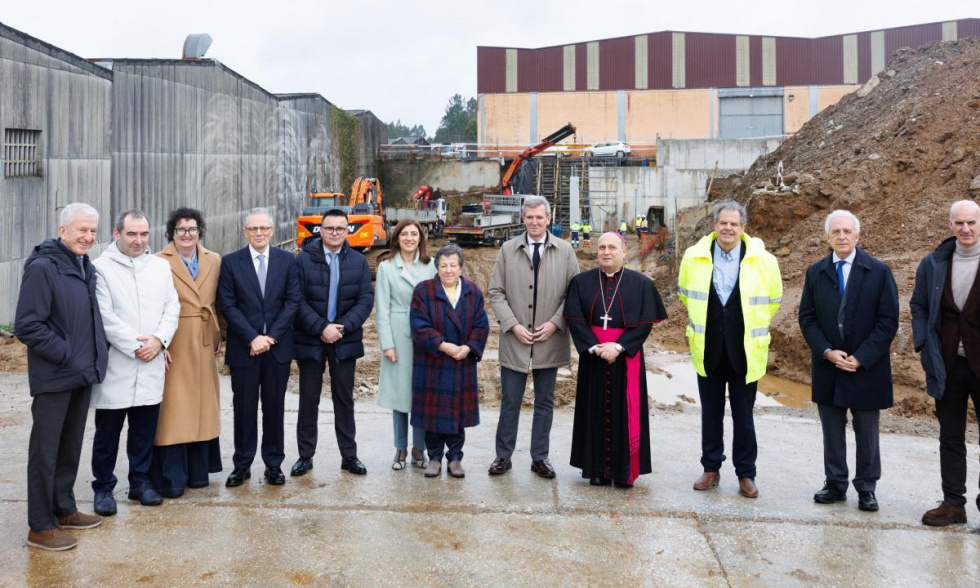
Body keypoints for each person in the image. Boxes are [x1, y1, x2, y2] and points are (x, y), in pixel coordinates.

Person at [16, 203, 108, 551]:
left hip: (82, 372)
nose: (87, 237)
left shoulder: (83, 265)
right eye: (81, 230)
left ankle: (64, 509)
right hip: (56, 375)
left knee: (69, 447)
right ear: (63, 229)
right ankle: (40, 526)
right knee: (46, 452)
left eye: (92, 231)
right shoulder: (43, 268)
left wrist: (92, 356)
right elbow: (28, 325)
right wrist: (67, 353)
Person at [678, 200, 782, 499]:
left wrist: (748, 324)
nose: (728, 228)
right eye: (723, 222)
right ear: (714, 225)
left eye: (734, 224)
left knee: (743, 416)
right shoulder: (694, 257)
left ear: (743, 228)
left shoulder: (764, 260)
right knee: (710, 413)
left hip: (745, 350)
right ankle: (711, 468)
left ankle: (746, 474)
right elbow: (685, 293)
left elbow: (773, 299)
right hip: (708, 347)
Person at [798, 210, 898, 513]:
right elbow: (807, 318)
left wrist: (862, 357)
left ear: (857, 236)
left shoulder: (879, 272)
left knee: (867, 431)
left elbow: (887, 321)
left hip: (867, 368)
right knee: (832, 429)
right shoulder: (816, 272)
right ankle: (835, 484)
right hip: (829, 365)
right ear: (828, 237)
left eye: (847, 231)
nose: (842, 236)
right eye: (836, 232)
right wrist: (826, 351)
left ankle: (867, 488)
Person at [89, 210, 180, 516]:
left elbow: (172, 307)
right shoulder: (100, 268)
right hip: (118, 363)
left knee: (143, 431)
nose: (139, 240)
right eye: (131, 234)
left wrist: (160, 340)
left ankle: (139, 483)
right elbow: (105, 317)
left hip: (152, 361)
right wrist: (137, 346)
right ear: (117, 234)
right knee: (108, 434)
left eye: (143, 234)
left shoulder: (160, 267)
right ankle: (103, 487)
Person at [487, 195, 579, 478]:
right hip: (516, 339)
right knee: (510, 399)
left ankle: (540, 457)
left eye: (540, 217)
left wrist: (555, 323)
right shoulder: (508, 249)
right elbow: (496, 292)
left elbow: (573, 294)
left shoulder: (564, 251)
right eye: (530, 217)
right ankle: (503, 456)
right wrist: (513, 325)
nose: (535, 222)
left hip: (549, 339)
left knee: (544, 401)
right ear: (522, 219)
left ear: (548, 219)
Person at [565, 233, 667, 487]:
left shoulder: (642, 284)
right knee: (593, 411)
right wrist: (595, 347)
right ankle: (596, 470)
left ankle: (624, 472)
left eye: (612, 247)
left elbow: (645, 323)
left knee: (626, 410)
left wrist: (619, 347)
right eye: (602, 247)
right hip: (594, 356)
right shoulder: (581, 282)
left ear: (625, 252)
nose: (606, 252)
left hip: (625, 358)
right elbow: (575, 319)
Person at [217, 208, 300, 487]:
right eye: (253, 229)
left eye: (264, 228)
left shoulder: (288, 261)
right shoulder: (230, 263)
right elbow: (227, 304)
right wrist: (252, 337)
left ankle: (273, 464)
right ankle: (242, 465)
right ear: (245, 232)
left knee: (274, 407)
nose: (259, 233)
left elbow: (292, 302)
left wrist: (270, 337)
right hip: (244, 349)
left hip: (277, 349)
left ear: (273, 230)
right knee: (243, 408)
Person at [911, 199, 980, 526]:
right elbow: (919, 304)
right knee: (950, 437)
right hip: (947, 365)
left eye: (972, 222)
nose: (965, 229)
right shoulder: (934, 263)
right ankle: (954, 504)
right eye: (959, 223)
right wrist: (924, 343)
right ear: (950, 225)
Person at [293, 208, 374, 477]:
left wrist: (343, 327)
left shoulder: (358, 262)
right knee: (308, 399)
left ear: (347, 230)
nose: (335, 233)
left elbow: (365, 300)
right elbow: (297, 300)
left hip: (344, 339)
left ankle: (349, 456)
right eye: (329, 228)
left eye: (341, 228)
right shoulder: (303, 260)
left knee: (344, 399)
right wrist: (320, 328)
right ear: (321, 230)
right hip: (311, 339)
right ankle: (305, 456)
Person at [151, 207, 224, 498]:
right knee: (174, 407)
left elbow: (221, 300)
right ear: (172, 232)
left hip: (205, 338)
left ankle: (199, 472)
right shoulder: (157, 261)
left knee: (203, 405)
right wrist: (159, 342)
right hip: (175, 338)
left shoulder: (214, 260)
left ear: (200, 231)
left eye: (192, 229)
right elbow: (152, 305)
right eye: (180, 229)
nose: (186, 234)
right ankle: (172, 475)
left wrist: (222, 334)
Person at [410, 245, 490, 479]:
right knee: (433, 414)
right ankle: (434, 458)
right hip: (432, 361)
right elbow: (418, 325)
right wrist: (442, 345)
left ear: (461, 267)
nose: (448, 270)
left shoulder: (473, 292)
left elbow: (481, 325)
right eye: (443, 265)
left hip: (460, 362)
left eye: (453, 265)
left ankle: (455, 458)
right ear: (437, 268)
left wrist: (468, 347)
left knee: (457, 416)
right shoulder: (423, 291)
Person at [375, 219, 435, 470]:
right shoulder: (387, 267)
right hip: (399, 334)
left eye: (414, 234)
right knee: (399, 395)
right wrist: (387, 344)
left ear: (420, 238)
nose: (409, 238)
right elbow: (382, 309)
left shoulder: (430, 266)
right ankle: (400, 447)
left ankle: (419, 449)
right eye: (404, 234)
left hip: (425, 335)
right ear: (396, 238)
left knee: (421, 394)